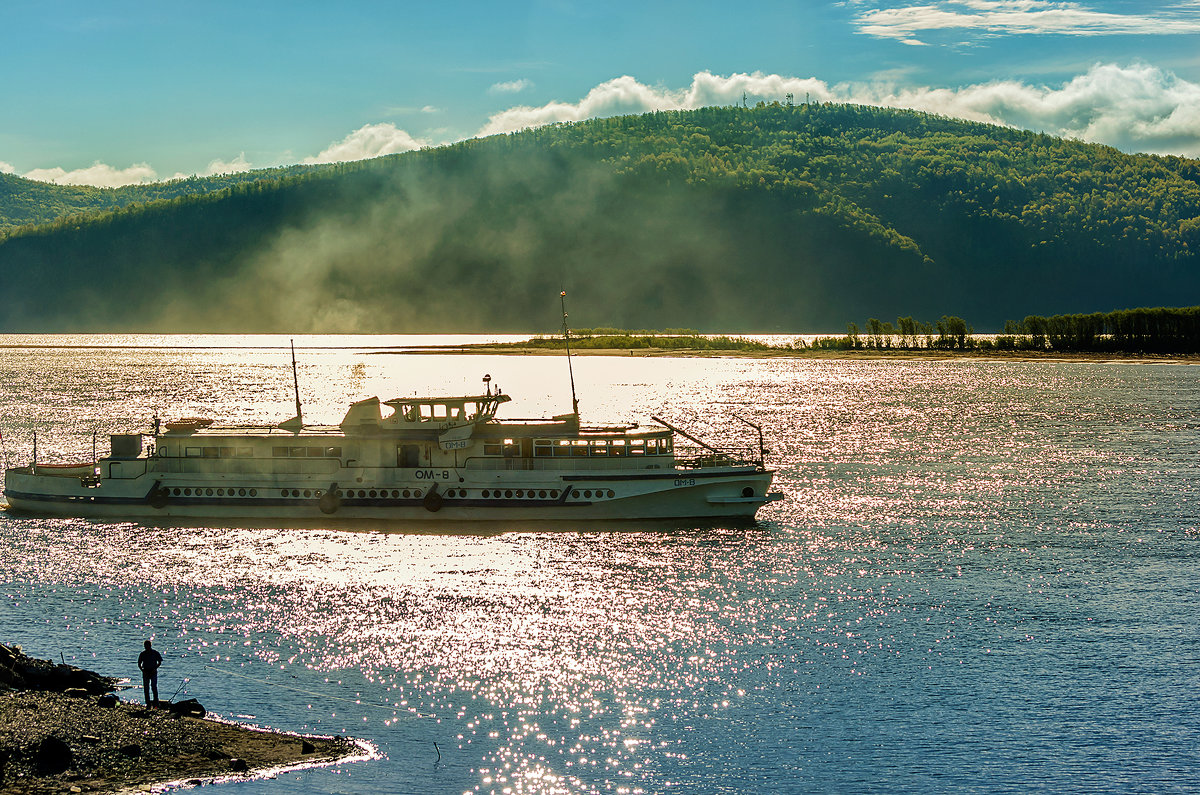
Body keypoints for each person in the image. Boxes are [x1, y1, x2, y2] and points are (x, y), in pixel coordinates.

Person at [138, 640, 164, 706]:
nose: (146, 647)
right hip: (145, 672)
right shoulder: (142, 654)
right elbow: (139, 663)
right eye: (145, 646)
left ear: (150, 645)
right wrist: (142, 670)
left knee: (154, 687)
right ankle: (148, 703)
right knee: (146, 688)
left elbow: (160, 662)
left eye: (148, 645)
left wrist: (155, 668)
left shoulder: (155, 653)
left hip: (153, 672)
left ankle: (156, 702)